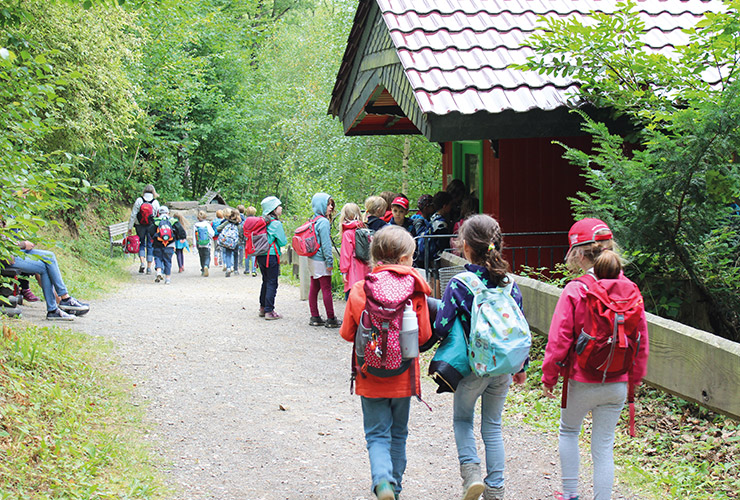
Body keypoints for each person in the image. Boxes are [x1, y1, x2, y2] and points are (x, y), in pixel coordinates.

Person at [541, 218, 649, 500]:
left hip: (581, 381)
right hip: (617, 383)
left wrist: (549, 377)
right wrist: (632, 382)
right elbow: (642, 343)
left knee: (568, 433)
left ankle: (571, 494)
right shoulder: (632, 290)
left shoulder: (576, 289)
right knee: (603, 446)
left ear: (578, 253)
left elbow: (559, 340)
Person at [433, 214, 525, 500]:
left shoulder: (461, 283)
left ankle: (471, 475)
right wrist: (521, 367)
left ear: (465, 246)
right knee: (493, 426)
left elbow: (442, 327)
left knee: (463, 420)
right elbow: (518, 327)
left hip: (473, 367)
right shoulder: (510, 284)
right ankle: (496, 488)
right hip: (503, 368)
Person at [339, 225, 433, 500]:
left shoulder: (360, 289)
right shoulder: (415, 290)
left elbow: (347, 333)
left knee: (377, 434)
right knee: (398, 435)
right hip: (403, 378)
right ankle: (396, 489)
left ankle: (382, 482)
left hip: (369, 374)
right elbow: (424, 335)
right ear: (404, 258)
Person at [4, 236, 89, 320]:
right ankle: (56, 307)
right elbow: (3, 243)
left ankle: (64, 299)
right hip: (7, 256)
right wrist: (22, 244)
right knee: (44, 267)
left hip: (14, 251)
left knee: (49, 256)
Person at [307, 193, 341, 327]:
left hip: (312, 258)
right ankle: (331, 318)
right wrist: (330, 262)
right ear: (320, 205)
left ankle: (314, 316)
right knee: (326, 288)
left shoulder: (312, 220)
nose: (331, 207)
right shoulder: (324, 222)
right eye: (328, 204)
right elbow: (326, 245)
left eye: (331, 204)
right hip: (321, 260)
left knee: (314, 287)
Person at [256, 196, 287, 320]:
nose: (281, 208)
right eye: (279, 206)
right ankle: (270, 311)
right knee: (272, 282)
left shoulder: (262, 222)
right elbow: (283, 241)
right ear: (273, 209)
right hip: (271, 256)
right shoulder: (275, 224)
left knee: (265, 281)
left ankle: (263, 308)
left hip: (261, 256)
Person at [339, 203, 370, 300]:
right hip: (365, 271)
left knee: (351, 301)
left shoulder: (347, 233)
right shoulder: (364, 230)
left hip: (353, 272)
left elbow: (345, 254)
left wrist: (344, 271)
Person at [127, 184, 160, 275]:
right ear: (153, 192)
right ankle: (149, 267)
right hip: (151, 226)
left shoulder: (139, 200)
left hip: (139, 225)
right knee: (150, 244)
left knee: (141, 243)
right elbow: (158, 216)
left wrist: (130, 228)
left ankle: (142, 263)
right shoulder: (155, 202)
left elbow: (133, 215)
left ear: (144, 191)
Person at [149, 206, 186, 285]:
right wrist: (181, 237)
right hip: (170, 244)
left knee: (158, 257)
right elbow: (181, 230)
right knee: (168, 261)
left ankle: (159, 271)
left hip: (157, 244)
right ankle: (168, 279)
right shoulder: (172, 221)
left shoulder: (156, 221)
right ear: (168, 213)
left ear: (158, 213)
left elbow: (150, 231)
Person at [218, 209, 242, 278]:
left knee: (228, 254)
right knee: (236, 254)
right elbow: (241, 233)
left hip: (226, 241)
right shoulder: (238, 225)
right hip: (235, 242)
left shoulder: (227, 222)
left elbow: (218, 228)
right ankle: (235, 269)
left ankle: (228, 268)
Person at [193, 210, 214, 277]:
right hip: (207, 244)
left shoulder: (196, 225)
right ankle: (206, 266)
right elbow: (212, 233)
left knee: (201, 256)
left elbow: (194, 236)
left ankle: (202, 269)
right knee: (207, 256)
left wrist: (194, 245)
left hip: (199, 244)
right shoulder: (207, 225)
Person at [244, 206, 258, 276]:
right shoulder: (257, 219)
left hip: (247, 238)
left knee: (247, 254)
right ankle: (254, 270)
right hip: (255, 238)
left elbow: (243, 228)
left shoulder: (246, 220)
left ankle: (246, 269)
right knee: (254, 254)